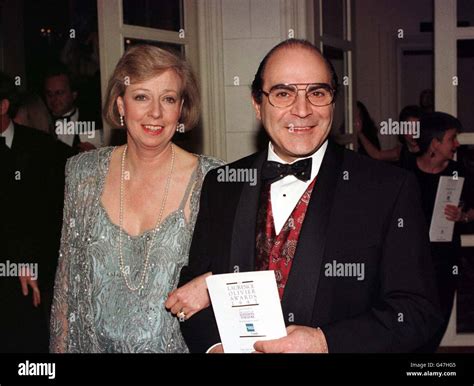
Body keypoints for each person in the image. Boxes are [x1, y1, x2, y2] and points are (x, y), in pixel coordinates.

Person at [178, 39, 442, 353]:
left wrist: (324, 343)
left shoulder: (389, 188)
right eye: (283, 93)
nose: (302, 110)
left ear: (333, 102)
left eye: (317, 93)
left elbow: (417, 312)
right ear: (257, 104)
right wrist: (217, 346)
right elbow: (192, 291)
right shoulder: (222, 184)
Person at [49, 45, 223, 353]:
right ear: (120, 104)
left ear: (181, 108)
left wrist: (214, 283)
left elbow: (245, 272)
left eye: (168, 99)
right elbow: (66, 284)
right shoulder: (82, 173)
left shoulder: (214, 180)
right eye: (141, 96)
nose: (155, 112)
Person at [0, 71, 60, 352]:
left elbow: (53, 211)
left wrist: (33, 260)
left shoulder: (42, 147)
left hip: (38, 280)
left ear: (3, 107)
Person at [409, 112, 474, 351]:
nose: (457, 144)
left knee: (441, 313)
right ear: (435, 142)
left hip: (445, 257)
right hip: (411, 259)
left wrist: (464, 215)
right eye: (452, 138)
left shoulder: (459, 171)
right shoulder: (406, 171)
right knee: (412, 313)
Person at [44, 65, 102, 153]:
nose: (53, 99)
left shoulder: (92, 120)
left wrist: (95, 153)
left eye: (59, 93)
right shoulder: (40, 122)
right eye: (49, 94)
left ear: (74, 94)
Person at [356, 104, 422, 165]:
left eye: (417, 128)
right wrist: (359, 133)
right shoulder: (401, 151)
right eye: (408, 128)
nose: (414, 133)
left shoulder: (429, 149)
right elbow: (377, 155)